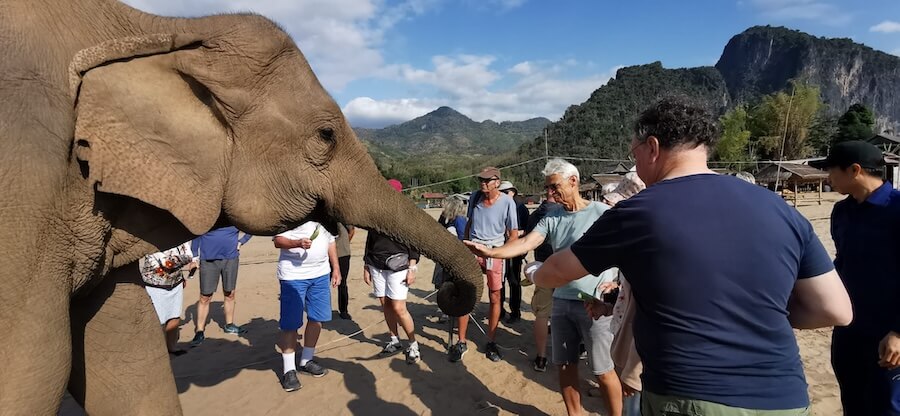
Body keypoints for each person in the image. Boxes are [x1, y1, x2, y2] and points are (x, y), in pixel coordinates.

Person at [533, 98, 853, 415]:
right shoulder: (779, 208)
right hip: (785, 398)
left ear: (653, 147)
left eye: (635, 152)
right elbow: (835, 310)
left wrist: (534, 271)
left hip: (689, 395)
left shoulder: (638, 211)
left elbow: (559, 271)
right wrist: (761, 310)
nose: (637, 162)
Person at [467, 159, 623, 416]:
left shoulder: (602, 213)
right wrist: (491, 251)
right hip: (561, 301)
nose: (550, 193)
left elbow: (624, 251)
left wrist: (617, 282)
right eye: (548, 188)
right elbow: (527, 242)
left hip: (595, 304)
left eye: (554, 186)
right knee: (564, 365)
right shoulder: (552, 217)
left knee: (603, 371)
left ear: (573, 181)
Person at [810, 140, 900, 416]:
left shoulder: (896, 210)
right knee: (853, 403)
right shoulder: (842, 212)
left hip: (888, 334)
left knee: (887, 407)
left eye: (831, 170)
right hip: (848, 330)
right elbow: (843, 263)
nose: (828, 177)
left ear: (854, 170)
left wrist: (898, 332)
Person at [449, 166, 519, 363]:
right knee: (466, 292)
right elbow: (469, 223)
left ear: (497, 182)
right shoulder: (474, 197)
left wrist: (504, 254)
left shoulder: (507, 203)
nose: (483, 183)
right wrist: (465, 245)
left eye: (487, 180)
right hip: (473, 250)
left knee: (495, 296)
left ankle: (491, 341)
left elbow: (513, 234)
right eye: (481, 179)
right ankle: (461, 341)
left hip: (495, 251)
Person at [598, 172, 646, 416]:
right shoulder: (634, 243)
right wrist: (612, 299)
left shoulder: (647, 252)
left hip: (638, 361)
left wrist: (633, 373)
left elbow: (647, 314)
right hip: (627, 350)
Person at [273, 221, 341, 392]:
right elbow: (278, 241)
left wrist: (336, 268)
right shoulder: (291, 210)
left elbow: (330, 241)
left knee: (317, 318)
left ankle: (306, 360)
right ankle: (289, 370)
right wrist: (297, 243)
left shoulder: (324, 214)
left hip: (320, 274)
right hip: (293, 275)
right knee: (291, 323)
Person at [364, 178, 422, 364]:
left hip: (399, 266)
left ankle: (413, 343)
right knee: (385, 304)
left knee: (398, 307)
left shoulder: (406, 215)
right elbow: (369, 241)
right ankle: (394, 340)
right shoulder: (375, 214)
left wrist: (412, 267)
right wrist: (366, 265)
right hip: (376, 265)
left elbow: (415, 243)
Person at [189, 226, 252, 346]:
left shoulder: (232, 217)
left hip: (231, 258)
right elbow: (196, 233)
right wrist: (194, 257)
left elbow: (251, 227)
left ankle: (229, 325)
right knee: (205, 297)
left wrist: (241, 242)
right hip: (208, 260)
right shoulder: (209, 216)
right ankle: (199, 331)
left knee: (230, 293)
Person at [140, 242, 197, 357]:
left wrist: (181, 276)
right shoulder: (153, 240)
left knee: (174, 315)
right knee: (158, 320)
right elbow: (168, 263)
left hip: (175, 283)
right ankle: (158, 349)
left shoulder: (178, 239)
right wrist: (188, 258)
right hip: (155, 286)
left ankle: (171, 346)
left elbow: (182, 256)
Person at [524, 193, 560, 373]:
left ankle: (541, 357)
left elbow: (529, 241)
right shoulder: (564, 212)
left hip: (542, 268)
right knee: (567, 310)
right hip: (564, 267)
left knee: (542, 313)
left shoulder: (534, 216)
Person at [498, 180, 529, 324]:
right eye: (501, 192)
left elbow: (528, 231)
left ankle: (515, 311)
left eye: (506, 192)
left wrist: (515, 235)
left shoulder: (521, 208)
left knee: (514, 280)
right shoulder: (502, 206)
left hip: (515, 248)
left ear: (513, 192)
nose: (503, 194)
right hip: (501, 247)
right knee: (500, 281)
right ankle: (500, 310)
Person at [335, 223, 356, 320]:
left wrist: (344, 244)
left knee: (342, 283)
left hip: (342, 254)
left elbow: (351, 231)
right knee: (323, 283)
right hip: (324, 255)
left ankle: (343, 310)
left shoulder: (342, 217)